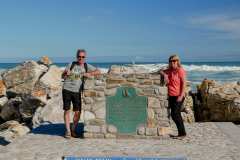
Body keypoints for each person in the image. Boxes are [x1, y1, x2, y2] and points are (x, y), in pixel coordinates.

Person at [62, 49, 100, 138]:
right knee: (67, 110)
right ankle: (67, 131)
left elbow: (98, 71)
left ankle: (73, 128)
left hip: (77, 91)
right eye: (79, 56)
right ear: (77, 57)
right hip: (66, 89)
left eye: (83, 57)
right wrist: (65, 74)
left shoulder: (87, 66)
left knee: (77, 112)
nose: (81, 58)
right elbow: (62, 75)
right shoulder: (71, 64)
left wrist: (88, 73)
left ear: (85, 57)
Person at [160, 55, 187, 139]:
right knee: (176, 114)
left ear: (178, 61)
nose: (173, 62)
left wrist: (181, 95)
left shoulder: (180, 71)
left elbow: (184, 84)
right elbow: (160, 71)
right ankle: (181, 133)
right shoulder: (169, 71)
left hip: (178, 96)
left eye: (174, 61)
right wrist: (164, 75)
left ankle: (182, 133)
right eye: (171, 61)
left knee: (175, 114)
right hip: (171, 96)